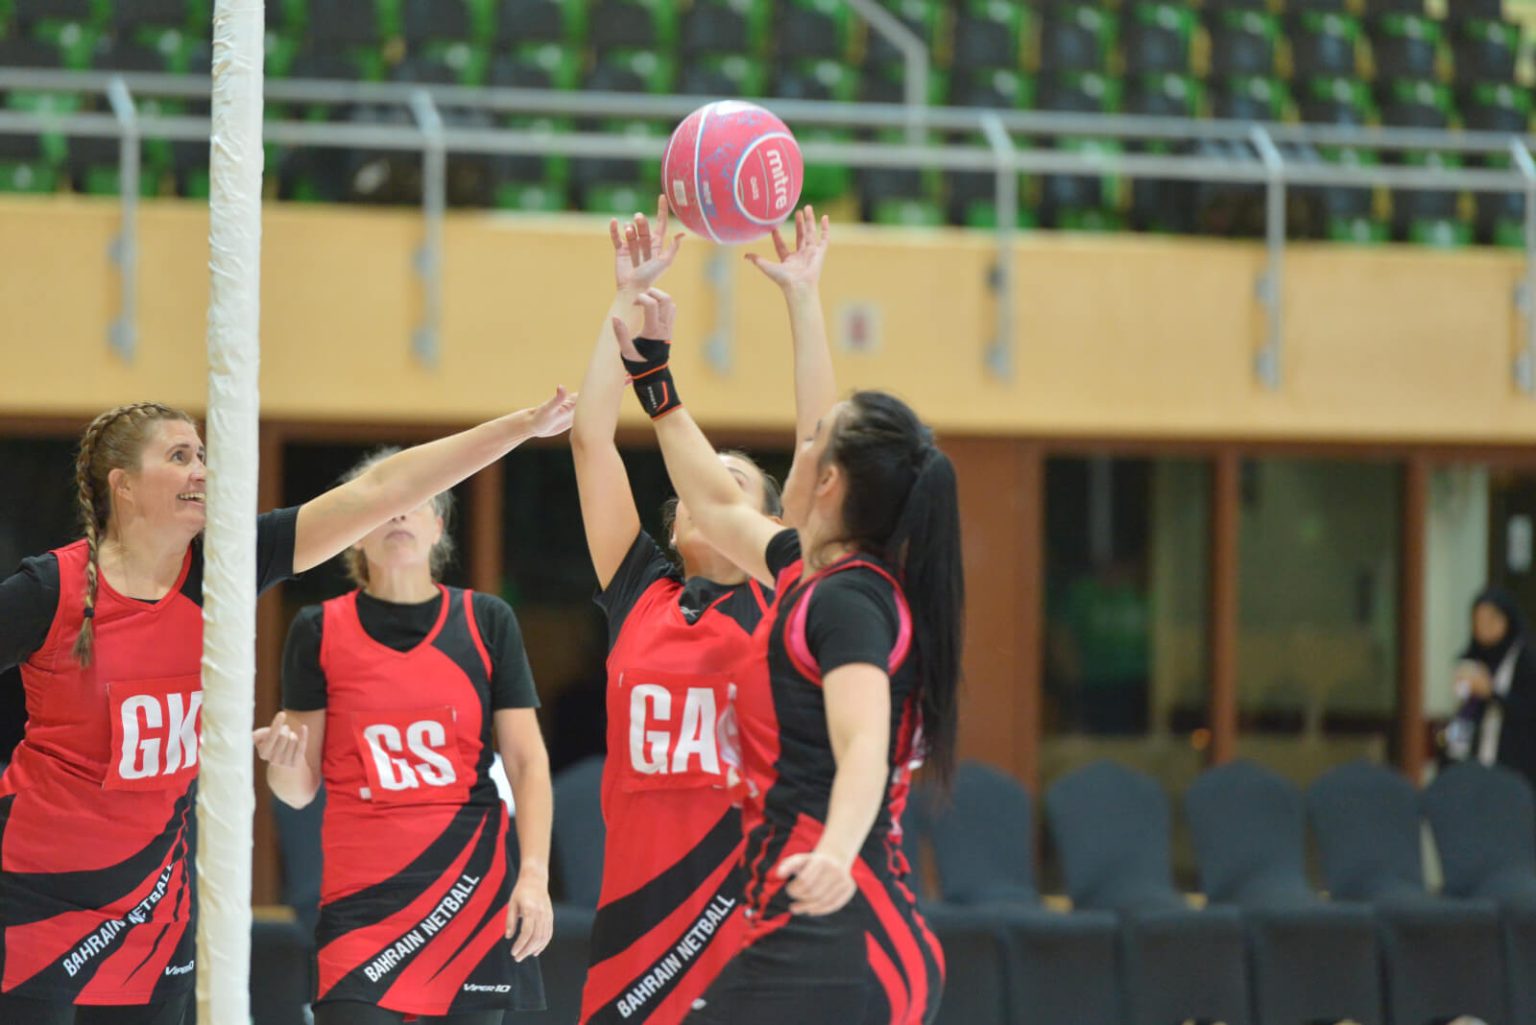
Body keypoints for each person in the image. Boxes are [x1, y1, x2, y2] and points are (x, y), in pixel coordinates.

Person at [0, 392, 574, 1025]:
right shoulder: (50, 588)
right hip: (36, 890)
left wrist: (524, 426)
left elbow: (382, 489)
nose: (201, 471)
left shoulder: (225, 567)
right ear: (124, 485)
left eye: (203, 456)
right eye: (179, 456)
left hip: (152, 901)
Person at [613, 294, 961, 1025]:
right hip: (813, 920)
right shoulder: (803, 574)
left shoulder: (849, 601)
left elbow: (864, 742)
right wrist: (653, 380)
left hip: (839, 924)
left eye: (814, 443)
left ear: (828, 481)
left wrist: (834, 852)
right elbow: (714, 505)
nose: (801, 447)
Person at [569, 199, 835, 1025]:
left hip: (747, 910)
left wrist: (803, 297)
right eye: (692, 479)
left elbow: (820, 448)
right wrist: (625, 299)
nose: (701, 485)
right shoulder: (638, 591)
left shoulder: (783, 597)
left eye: (728, 479)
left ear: (766, 520)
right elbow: (589, 438)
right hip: (638, 925)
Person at [258, 448, 554, 1025]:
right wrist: (283, 760)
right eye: (384, 502)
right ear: (353, 531)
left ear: (438, 526)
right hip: (362, 901)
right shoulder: (318, 629)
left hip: (470, 891)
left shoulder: (487, 620)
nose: (398, 513)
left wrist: (535, 876)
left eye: (414, 502)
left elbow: (527, 763)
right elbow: (296, 792)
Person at [1443, 587, 1536, 793]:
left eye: (1490, 620)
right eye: (1478, 621)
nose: (1483, 628)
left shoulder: (1526, 660)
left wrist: (1491, 693)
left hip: (1517, 768)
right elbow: (1462, 716)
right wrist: (1451, 755)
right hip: (1474, 767)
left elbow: (1527, 711)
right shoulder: (1471, 659)